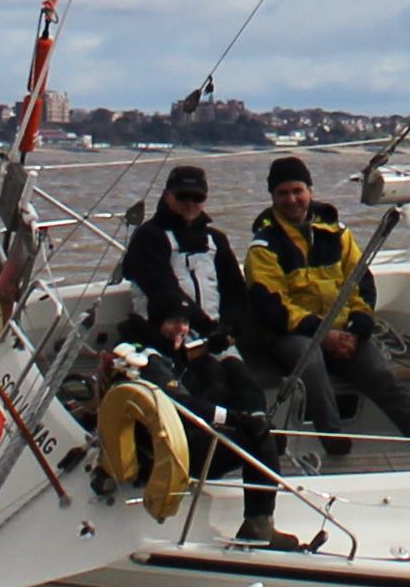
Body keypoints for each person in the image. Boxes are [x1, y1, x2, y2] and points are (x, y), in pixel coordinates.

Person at [107, 164, 308, 548]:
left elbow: (234, 290)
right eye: (182, 197)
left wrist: (225, 331)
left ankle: (260, 519)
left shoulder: (215, 240)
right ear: (167, 196)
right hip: (172, 351)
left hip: (213, 343)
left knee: (256, 411)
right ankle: (196, 482)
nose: (189, 204)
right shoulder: (149, 239)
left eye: (197, 197)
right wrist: (188, 324)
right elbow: (161, 288)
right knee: (226, 415)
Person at [244, 153, 410, 457]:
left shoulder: (337, 234)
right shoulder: (264, 246)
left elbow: (360, 282)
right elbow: (273, 308)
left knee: (381, 374)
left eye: (297, 190)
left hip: (341, 332)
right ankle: (333, 437)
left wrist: (358, 326)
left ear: (310, 191)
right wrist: (322, 335)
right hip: (291, 336)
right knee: (309, 360)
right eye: (282, 193)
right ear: (272, 197)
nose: (291, 199)